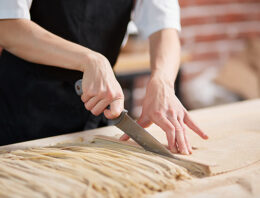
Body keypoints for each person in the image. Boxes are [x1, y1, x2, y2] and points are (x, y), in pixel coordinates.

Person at [0, 0, 208, 153]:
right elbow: (7, 26)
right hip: (23, 112)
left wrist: (162, 82)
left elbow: (164, 27)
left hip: (96, 112)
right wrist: (90, 59)